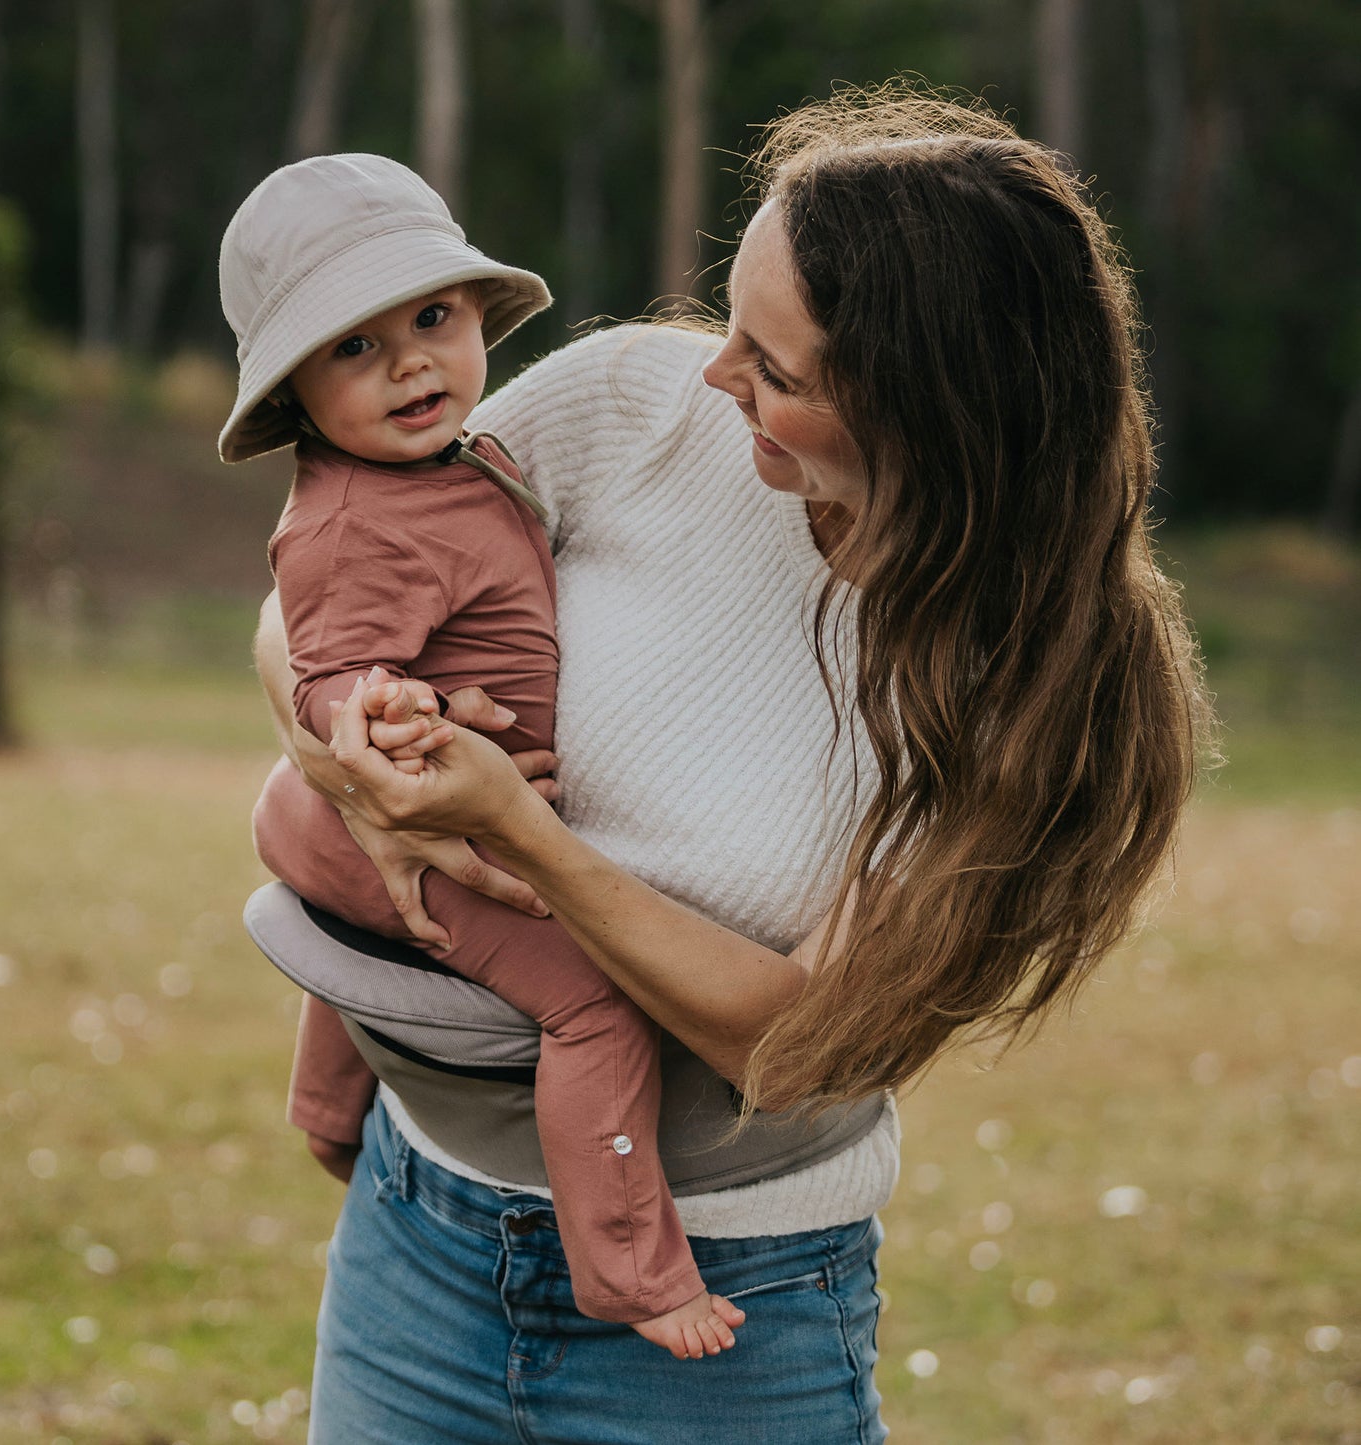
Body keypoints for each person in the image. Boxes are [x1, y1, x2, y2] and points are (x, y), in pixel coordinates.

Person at [255, 82, 1209, 1443]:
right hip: (419, 1236)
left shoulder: (1030, 687)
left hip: (729, 1313)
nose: (715, 377)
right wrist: (359, 759)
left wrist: (521, 837)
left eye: (777, 370)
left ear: (928, 410)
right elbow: (318, 586)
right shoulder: (635, 402)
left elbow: (800, 1045)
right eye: (731, 325)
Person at [220, 153, 746, 1357]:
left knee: (386, 933)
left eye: (431, 317)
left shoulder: (451, 457)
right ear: (293, 388)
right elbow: (333, 670)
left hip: (338, 833)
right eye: (354, 346)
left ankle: (324, 1103)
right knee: (596, 1002)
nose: (410, 360)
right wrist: (385, 722)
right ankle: (629, 1270)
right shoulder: (354, 518)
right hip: (410, 828)